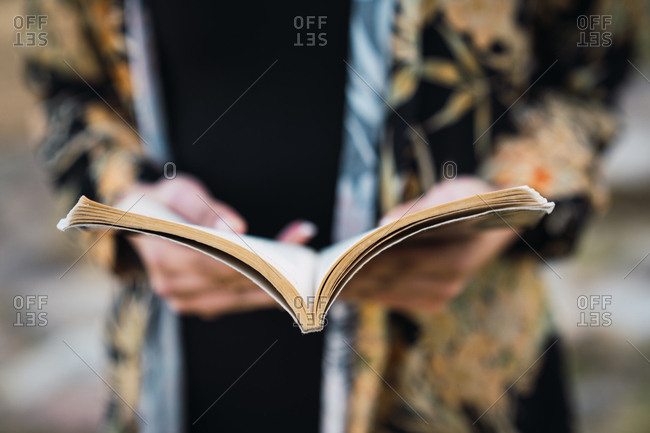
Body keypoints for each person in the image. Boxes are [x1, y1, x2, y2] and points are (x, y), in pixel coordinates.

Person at [24, 0, 640, 432]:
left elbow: (590, 73)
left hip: (461, 379)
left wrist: (507, 200)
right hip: (185, 376)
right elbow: (63, 87)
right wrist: (129, 204)